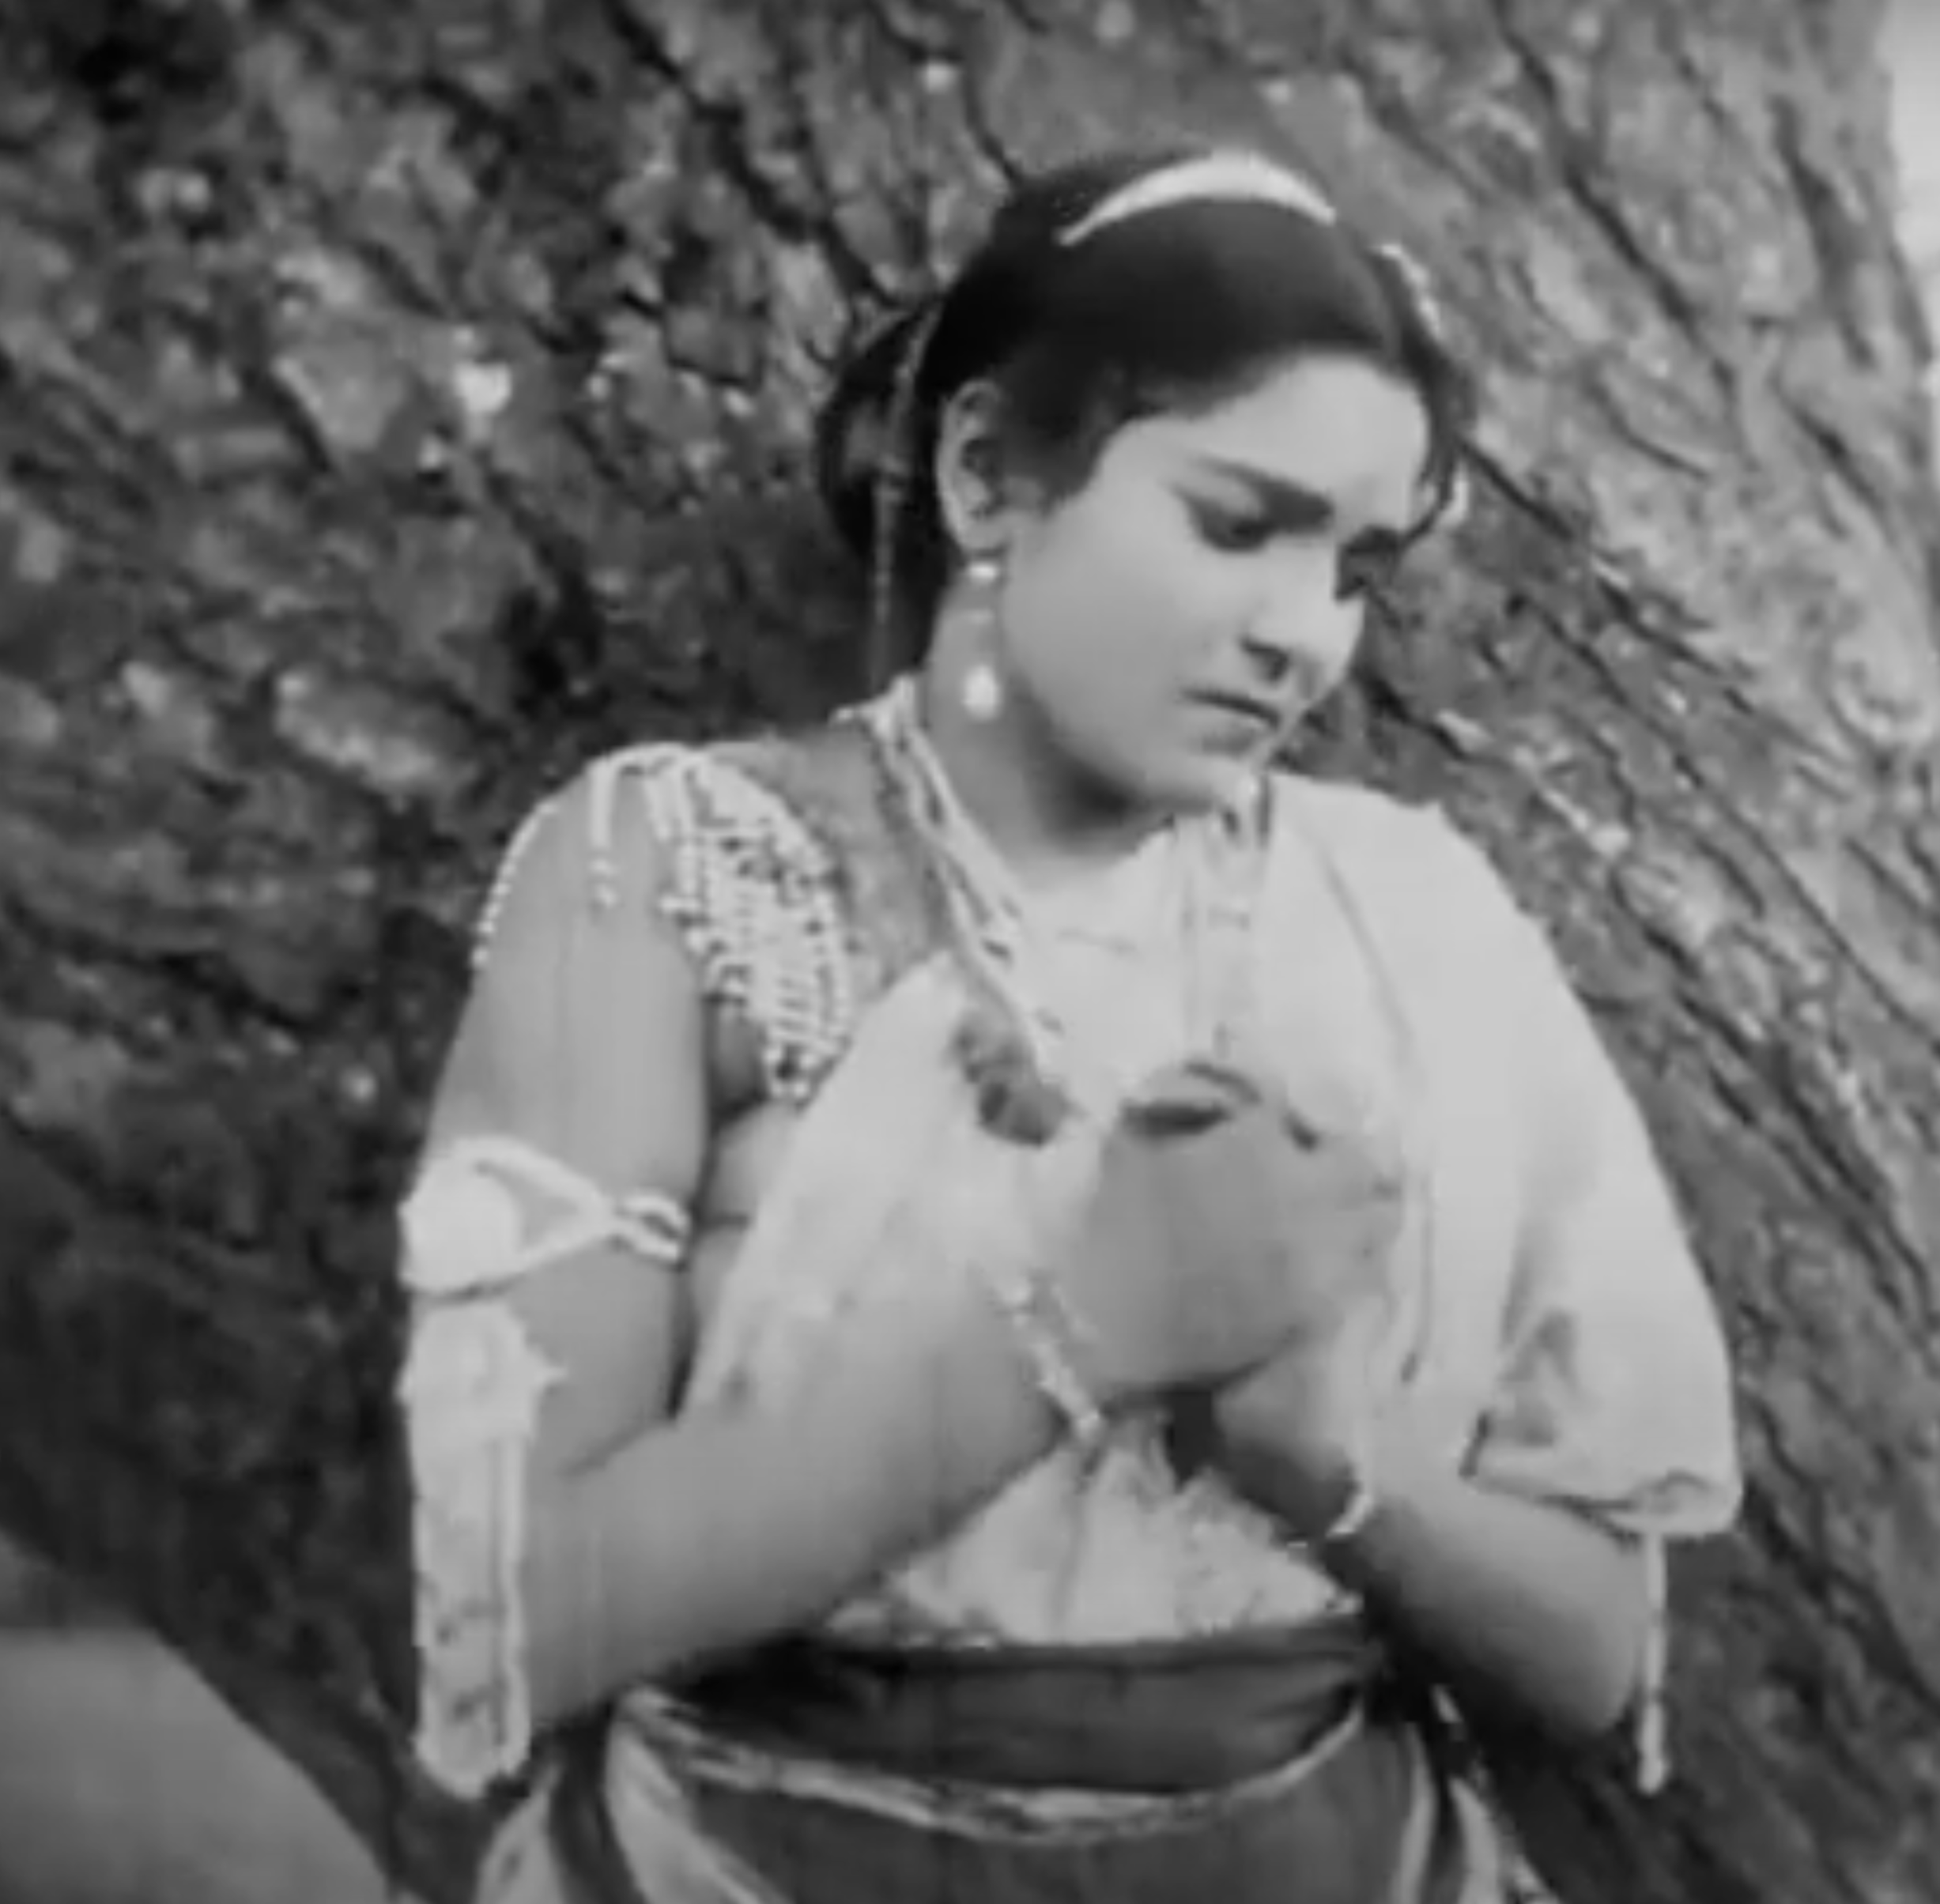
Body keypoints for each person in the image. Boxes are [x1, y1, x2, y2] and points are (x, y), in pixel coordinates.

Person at [392, 143, 1743, 1903]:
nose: (1304, 635)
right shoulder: (677, 873)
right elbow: (504, 1614)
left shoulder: (1416, 923)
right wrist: (1087, 1323)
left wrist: (1325, 1465)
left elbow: (1601, 1653)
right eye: (1236, 522)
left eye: (1355, 567)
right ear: (982, 472)